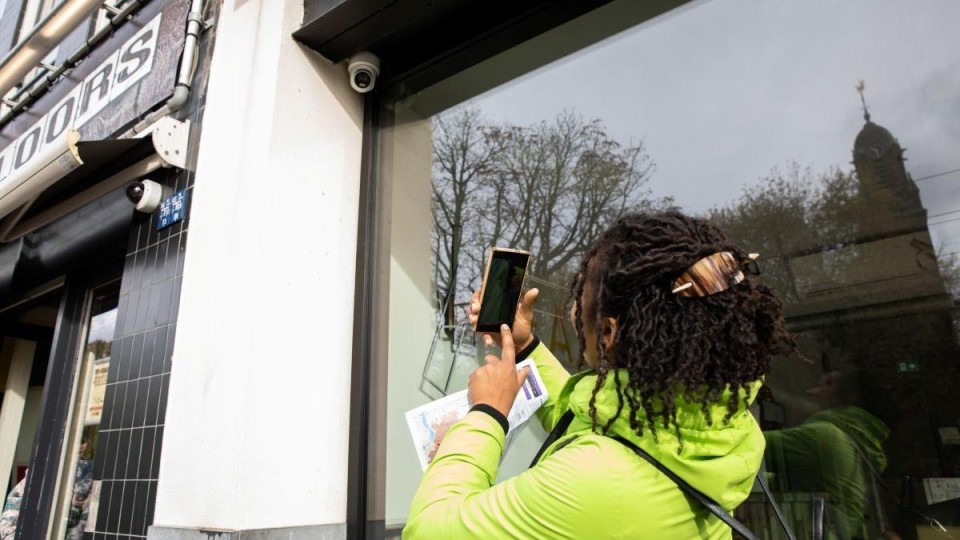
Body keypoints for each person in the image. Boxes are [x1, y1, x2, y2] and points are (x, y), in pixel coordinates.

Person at [404, 212, 793, 539]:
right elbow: (601, 422)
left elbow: (428, 529)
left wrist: (487, 413)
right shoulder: (725, 426)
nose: (573, 310)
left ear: (608, 333)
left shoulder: (594, 482)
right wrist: (526, 349)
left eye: (582, 300)